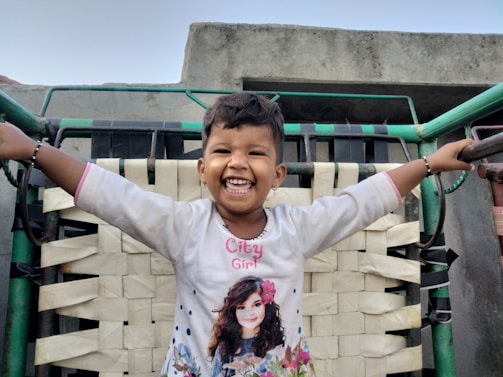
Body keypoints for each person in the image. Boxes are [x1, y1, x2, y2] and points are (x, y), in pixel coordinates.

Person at [0, 92, 474, 377]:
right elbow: (110, 194)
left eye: (256, 153)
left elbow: (363, 200)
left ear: (280, 173)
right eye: (224, 150)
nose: (239, 162)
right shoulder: (182, 226)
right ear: (204, 168)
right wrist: (32, 149)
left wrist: (430, 162)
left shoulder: (297, 229)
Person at [208, 276, 285, 376]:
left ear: (266, 305)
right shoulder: (226, 347)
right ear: (233, 311)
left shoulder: (273, 344)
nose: (250, 313)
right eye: (242, 307)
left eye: (257, 304)